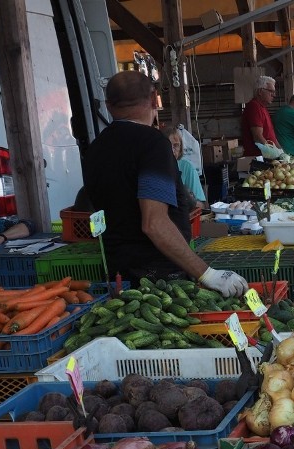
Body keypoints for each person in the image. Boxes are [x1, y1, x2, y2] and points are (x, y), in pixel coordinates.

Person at [82, 71, 247, 296]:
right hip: (157, 279)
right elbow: (154, 223)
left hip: (117, 272)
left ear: (108, 106)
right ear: (153, 100)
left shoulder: (97, 147)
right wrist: (207, 274)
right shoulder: (152, 144)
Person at [164, 126, 207, 210]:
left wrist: (190, 201)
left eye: (176, 146)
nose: (172, 150)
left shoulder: (187, 167)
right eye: (168, 145)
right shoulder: (153, 168)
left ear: (180, 149)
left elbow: (202, 206)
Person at [240, 75, 281, 157]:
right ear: (260, 91)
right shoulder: (254, 106)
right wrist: (274, 154)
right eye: (271, 91)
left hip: (265, 157)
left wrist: (282, 152)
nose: (274, 95)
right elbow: (258, 137)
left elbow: (271, 136)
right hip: (258, 159)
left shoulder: (263, 108)